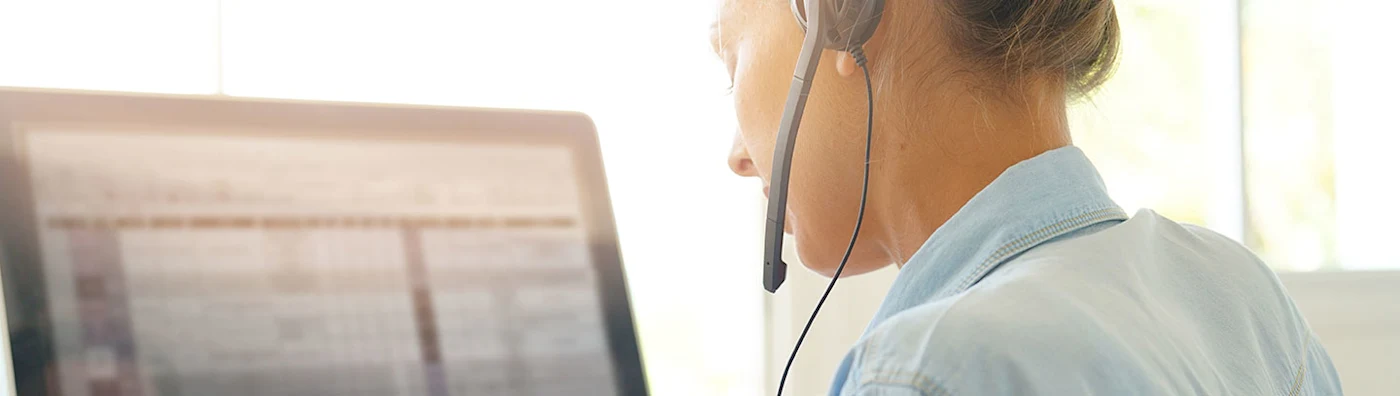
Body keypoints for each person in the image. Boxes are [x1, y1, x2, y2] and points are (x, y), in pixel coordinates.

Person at [713, 0, 1344, 395]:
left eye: (730, 60)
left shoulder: (923, 373)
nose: (738, 154)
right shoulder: (1243, 299)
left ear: (844, 12)